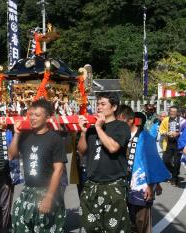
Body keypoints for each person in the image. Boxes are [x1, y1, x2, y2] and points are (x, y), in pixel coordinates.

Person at [8, 99, 67, 233]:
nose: (33, 118)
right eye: (31, 115)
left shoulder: (54, 138)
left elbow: (59, 170)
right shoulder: (25, 136)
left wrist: (49, 197)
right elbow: (11, 155)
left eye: (37, 115)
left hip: (47, 191)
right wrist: (16, 134)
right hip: (28, 191)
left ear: (47, 118)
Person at [77, 92, 131, 233]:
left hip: (113, 184)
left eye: (103, 104)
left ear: (114, 107)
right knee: (90, 227)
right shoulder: (92, 128)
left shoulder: (121, 126)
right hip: (91, 184)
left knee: (114, 228)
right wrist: (83, 132)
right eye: (98, 104)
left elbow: (113, 147)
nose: (99, 107)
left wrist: (99, 128)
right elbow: (81, 151)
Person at [116, 105, 170, 233]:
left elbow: (153, 162)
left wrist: (151, 185)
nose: (118, 125)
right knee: (129, 220)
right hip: (125, 183)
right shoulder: (122, 136)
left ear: (130, 120)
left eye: (120, 121)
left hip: (142, 185)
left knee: (142, 221)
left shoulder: (145, 137)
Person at [159, 106, 185, 186]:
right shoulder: (165, 120)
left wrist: (178, 133)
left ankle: (174, 179)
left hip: (178, 143)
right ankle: (175, 172)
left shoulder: (182, 121)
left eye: (174, 111)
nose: (173, 113)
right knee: (165, 160)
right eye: (171, 111)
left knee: (177, 162)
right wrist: (167, 133)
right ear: (169, 112)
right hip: (168, 142)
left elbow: (185, 132)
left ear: (177, 113)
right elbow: (161, 130)